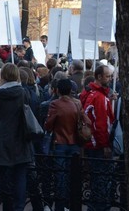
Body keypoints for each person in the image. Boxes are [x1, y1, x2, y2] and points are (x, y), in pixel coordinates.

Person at [0, 63, 34, 211]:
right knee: (20, 176)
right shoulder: (23, 93)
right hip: (20, 137)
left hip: (2, 137)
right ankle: (18, 207)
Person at [45, 78, 90, 211]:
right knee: (73, 177)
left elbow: (48, 125)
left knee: (61, 177)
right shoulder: (77, 103)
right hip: (75, 143)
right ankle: (73, 206)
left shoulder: (55, 104)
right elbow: (85, 120)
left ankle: (60, 207)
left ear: (57, 90)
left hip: (60, 144)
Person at [80, 65, 116, 211]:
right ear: (99, 77)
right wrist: (105, 144)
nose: (110, 79)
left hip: (92, 144)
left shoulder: (92, 94)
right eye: (107, 76)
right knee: (101, 180)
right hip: (98, 146)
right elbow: (101, 124)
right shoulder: (99, 97)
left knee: (96, 179)